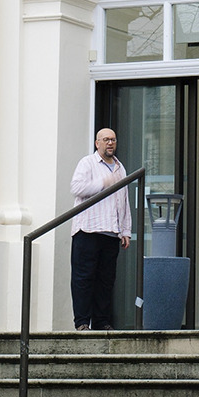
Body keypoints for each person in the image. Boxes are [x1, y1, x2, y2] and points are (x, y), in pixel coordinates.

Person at [70, 128, 132, 331]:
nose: (110, 143)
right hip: (87, 230)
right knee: (84, 278)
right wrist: (102, 183)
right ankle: (82, 322)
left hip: (111, 232)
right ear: (97, 143)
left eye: (113, 139)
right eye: (105, 139)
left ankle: (101, 321)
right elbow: (76, 188)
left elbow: (124, 201)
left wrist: (125, 230)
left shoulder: (120, 168)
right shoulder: (87, 163)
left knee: (106, 280)